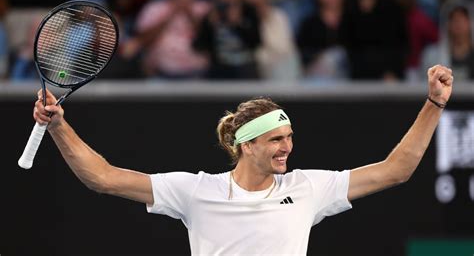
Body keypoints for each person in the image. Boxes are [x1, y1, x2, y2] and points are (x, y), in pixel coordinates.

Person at [32, 64, 453, 255]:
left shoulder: (307, 188)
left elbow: (397, 170)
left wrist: (434, 104)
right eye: (275, 139)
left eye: (289, 137)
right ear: (246, 146)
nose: (287, 146)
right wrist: (59, 127)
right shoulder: (196, 192)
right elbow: (102, 177)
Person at [127, 0, 210, 79]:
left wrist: (188, 11)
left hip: (199, 76)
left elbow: (209, 38)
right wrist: (171, 14)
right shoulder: (153, 8)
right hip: (160, 75)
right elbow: (142, 41)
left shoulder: (205, 8)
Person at [192, 0, 262, 80]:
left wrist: (238, 24)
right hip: (220, 69)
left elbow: (256, 43)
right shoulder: (212, 14)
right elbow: (199, 45)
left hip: (245, 67)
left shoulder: (249, 11)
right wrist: (210, 26)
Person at [345, 0, 409, 81]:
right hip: (356, 72)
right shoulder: (348, 8)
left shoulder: (392, 8)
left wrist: (392, 71)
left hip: (388, 72)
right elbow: (347, 46)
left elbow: (400, 45)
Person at [242, 0, 302, 83]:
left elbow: (282, 48)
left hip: (282, 64)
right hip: (257, 66)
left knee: (285, 62)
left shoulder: (278, 15)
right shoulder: (242, 19)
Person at [296, 0, 350, 82]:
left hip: (348, 73)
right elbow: (302, 53)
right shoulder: (310, 24)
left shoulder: (352, 19)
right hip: (318, 75)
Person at [421, 0, 474, 81]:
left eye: (462, 19)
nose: (458, 23)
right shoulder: (432, 55)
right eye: (454, 19)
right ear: (447, 24)